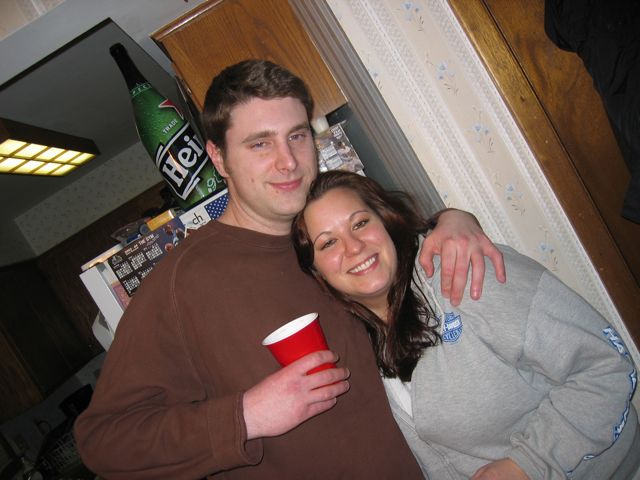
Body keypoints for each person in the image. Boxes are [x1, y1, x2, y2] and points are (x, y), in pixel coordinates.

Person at [74, 60, 505, 479]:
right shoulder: (181, 283)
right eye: (260, 144)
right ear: (219, 158)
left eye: (296, 136)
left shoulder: (333, 235)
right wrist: (245, 416)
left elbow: (407, 252)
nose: (288, 162)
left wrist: (452, 220)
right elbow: (105, 441)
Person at [292, 170, 640, 480]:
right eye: (329, 242)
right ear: (317, 271)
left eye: (360, 223)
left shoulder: (466, 273)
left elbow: (606, 367)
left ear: (386, 221)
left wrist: (528, 465)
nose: (353, 247)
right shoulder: (355, 341)